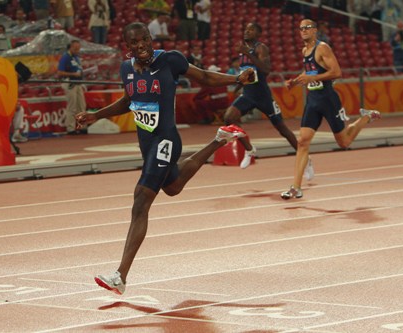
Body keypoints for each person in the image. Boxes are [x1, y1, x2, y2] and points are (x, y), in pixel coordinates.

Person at [75, 22, 254, 295]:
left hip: (166, 139)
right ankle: (220, 139)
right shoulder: (126, 69)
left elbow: (203, 77)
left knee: (141, 200)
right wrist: (96, 114)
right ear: (128, 46)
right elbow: (128, 101)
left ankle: (120, 275)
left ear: (150, 38)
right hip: (147, 143)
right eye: (134, 42)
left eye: (144, 39)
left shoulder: (169, 60)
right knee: (172, 186)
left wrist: (237, 79)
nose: (141, 45)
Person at [281, 19, 381, 200]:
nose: (303, 30)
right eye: (301, 28)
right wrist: (295, 82)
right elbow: (310, 74)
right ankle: (296, 187)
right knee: (303, 141)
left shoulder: (323, 48)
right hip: (312, 101)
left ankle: (365, 118)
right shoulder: (305, 51)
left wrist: (315, 78)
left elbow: (337, 72)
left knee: (343, 142)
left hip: (328, 100)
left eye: (307, 27)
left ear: (315, 30)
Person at [223, 22, 302, 171]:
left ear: (258, 34)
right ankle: (249, 149)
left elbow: (266, 70)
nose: (246, 31)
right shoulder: (242, 51)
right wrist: (238, 85)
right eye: (245, 29)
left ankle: (304, 157)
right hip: (248, 94)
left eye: (251, 30)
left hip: (263, 96)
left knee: (282, 129)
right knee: (229, 118)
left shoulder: (260, 48)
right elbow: (248, 72)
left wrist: (248, 53)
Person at [57, 40, 87, 135]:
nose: (77, 50)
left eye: (78, 48)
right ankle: (70, 128)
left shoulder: (77, 57)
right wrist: (73, 74)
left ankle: (81, 126)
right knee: (72, 107)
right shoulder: (65, 57)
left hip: (78, 83)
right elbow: (60, 72)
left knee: (81, 106)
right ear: (71, 47)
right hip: (70, 83)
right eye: (75, 48)